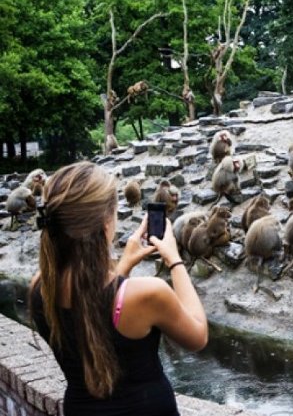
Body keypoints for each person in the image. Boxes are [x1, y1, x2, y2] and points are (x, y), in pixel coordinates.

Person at [28, 161, 208, 416]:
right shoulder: (148, 294)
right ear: (106, 222)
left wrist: (124, 265)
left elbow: (94, 306)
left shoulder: (40, 288)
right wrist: (174, 260)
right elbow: (198, 336)